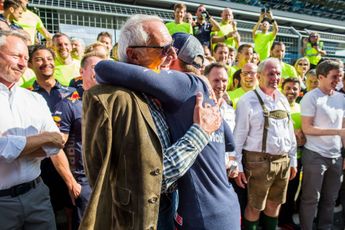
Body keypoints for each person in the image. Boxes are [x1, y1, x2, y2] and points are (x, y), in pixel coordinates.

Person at [80, 15, 220, 230]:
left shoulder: (158, 90)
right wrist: (200, 133)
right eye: (163, 49)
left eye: (172, 47)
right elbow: (152, 178)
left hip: (168, 206)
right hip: (137, 216)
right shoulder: (111, 99)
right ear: (133, 55)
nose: (172, 55)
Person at [0, 30, 65, 230]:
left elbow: (57, 142)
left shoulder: (34, 99)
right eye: (16, 56)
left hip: (37, 195)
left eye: (25, 58)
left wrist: (14, 148)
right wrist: (40, 140)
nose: (22, 63)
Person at [234, 58, 297, 230]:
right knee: (255, 207)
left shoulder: (282, 99)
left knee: (275, 204)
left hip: (282, 162)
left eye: (278, 73)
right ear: (259, 76)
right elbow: (238, 137)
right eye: (271, 74)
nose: (275, 77)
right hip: (258, 162)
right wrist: (237, 166)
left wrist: (293, 160)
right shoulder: (247, 101)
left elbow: (289, 132)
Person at [52, 51, 107, 230]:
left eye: (102, 68)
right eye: (94, 67)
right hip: (84, 183)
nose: (98, 71)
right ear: (81, 71)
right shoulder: (69, 104)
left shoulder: (111, 101)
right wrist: (71, 182)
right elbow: (55, 147)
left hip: (109, 179)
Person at [28, 44, 81, 229]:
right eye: (39, 59)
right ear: (30, 64)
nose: (46, 63)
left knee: (72, 210)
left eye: (49, 59)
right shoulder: (27, 95)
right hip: (39, 165)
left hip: (71, 161)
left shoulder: (70, 93)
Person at [299, 59, 345, 230]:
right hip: (315, 156)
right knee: (311, 199)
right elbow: (307, 128)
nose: (338, 80)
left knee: (330, 198)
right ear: (321, 77)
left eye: (340, 76)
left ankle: (325, 227)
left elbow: (344, 128)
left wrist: (344, 154)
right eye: (334, 77)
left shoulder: (341, 98)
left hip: (336, 156)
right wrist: (337, 132)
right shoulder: (311, 98)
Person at [279, 77, 305, 229]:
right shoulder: (277, 106)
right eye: (288, 88)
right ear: (282, 89)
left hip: (297, 158)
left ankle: (286, 221)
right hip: (279, 158)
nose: (291, 91)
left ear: (299, 91)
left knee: (291, 191)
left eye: (295, 89)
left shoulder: (302, 109)